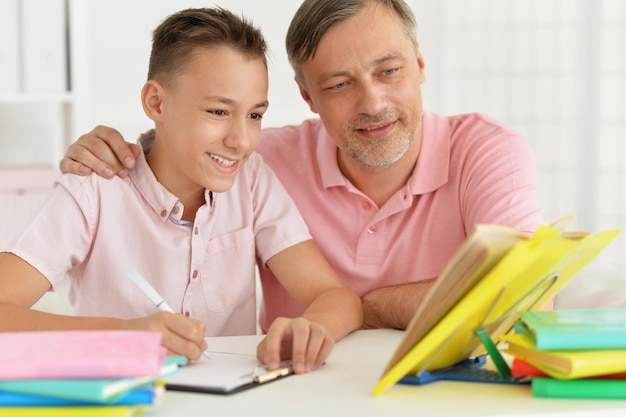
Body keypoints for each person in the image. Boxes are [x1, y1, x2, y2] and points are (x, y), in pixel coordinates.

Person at [60, 0, 542, 332]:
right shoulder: (255, 163)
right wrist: (116, 153)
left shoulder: (487, 151)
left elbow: (528, 295)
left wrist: (367, 308)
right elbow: (189, 146)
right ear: (308, 97)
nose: (372, 103)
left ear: (419, 66)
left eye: (389, 71)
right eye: (338, 84)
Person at [0, 7, 362, 375]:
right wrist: (125, 336)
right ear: (156, 102)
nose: (241, 140)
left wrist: (312, 327)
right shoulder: (94, 189)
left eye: (254, 115)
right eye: (219, 112)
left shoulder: (251, 181)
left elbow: (336, 298)